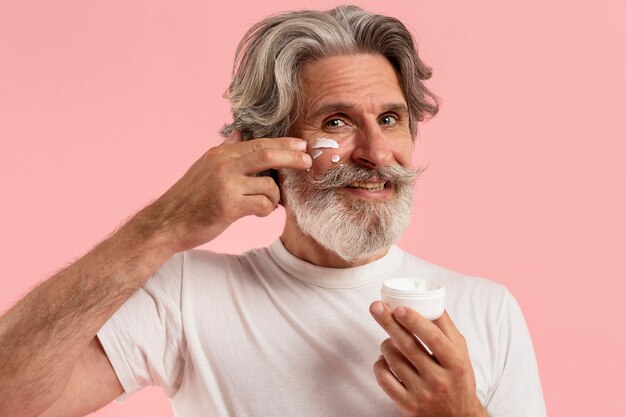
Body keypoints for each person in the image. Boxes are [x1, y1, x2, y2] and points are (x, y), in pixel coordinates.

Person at [0, 5, 545, 417]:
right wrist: (162, 225)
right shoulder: (189, 296)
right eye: (336, 121)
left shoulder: (487, 310)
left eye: (391, 119)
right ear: (265, 148)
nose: (377, 155)